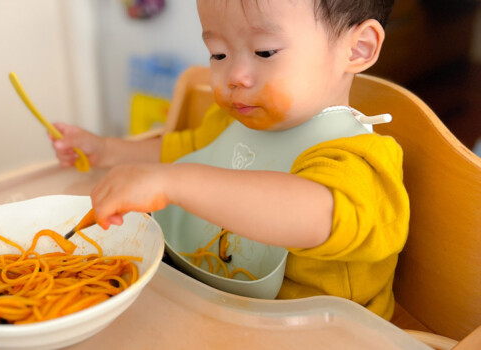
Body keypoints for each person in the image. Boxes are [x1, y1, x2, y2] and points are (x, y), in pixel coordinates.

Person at [51, 0, 407, 321]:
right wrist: (108, 151)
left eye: (265, 52)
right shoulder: (235, 123)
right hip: (213, 306)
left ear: (358, 49)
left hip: (317, 335)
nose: (234, 76)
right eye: (218, 54)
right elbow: (182, 151)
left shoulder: (358, 160)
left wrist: (174, 183)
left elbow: (314, 214)